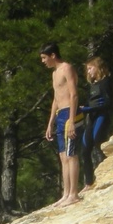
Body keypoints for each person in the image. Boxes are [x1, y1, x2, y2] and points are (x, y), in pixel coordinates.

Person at [40, 42, 84, 207]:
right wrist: (50, 122)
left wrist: (72, 120)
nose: (43, 61)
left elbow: (73, 95)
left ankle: (74, 193)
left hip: (70, 113)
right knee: (63, 155)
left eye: (44, 58)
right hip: (60, 114)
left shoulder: (67, 68)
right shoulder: (54, 74)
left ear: (53, 55)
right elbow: (56, 98)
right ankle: (66, 193)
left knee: (71, 154)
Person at [80, 56, 111, 190]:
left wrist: (90, 108)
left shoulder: (106, 83)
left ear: (98, 68)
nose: (88, 71)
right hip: (91, 118)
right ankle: (88, 182)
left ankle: (106, 174)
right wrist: (83, 108)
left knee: (99, 143)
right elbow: (90, 102)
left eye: (90, 68)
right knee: (85, 149)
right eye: (87, 69)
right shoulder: (92, 85)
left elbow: (108, 103)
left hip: (101, 116)